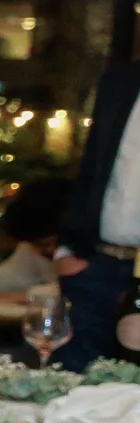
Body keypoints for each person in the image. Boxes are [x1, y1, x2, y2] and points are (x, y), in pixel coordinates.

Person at [54, 62, 140, 368]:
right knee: (71, 383)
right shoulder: (122, 81)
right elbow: (91, 166)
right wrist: (66, 249)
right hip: (95, 267)